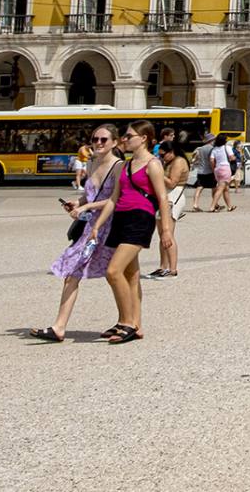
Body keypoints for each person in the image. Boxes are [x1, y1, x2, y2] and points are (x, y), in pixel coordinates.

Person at [30, 124, 119, 341]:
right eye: (94, 139)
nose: (98, 143)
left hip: (107, 227)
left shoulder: (118, 167)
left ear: (114, 143)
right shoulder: (91, 164)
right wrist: (77, 202)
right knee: (73, 273)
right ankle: (59, 327)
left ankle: (129, 321)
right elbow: (89, 196)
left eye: (103, 140)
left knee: (119, 276)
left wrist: (87, 207)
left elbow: (116, 200)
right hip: (89, 229)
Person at [102, 121, 172, 344]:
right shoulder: (124, 165)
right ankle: (135, 323)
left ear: (143, 138)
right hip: (120, 218)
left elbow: (162, 198)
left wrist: (166, 230)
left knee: (113, 271)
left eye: (129, 135)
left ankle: (127, 323)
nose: (125, 139)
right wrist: (96, 226)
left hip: (140, 219)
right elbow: (113, 198)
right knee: (130, 275)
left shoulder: (153, 164)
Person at [149, 140, 190, 279]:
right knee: (162, 235)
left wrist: (158, 172)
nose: (161, 157)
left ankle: (172, 269)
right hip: (167, 195)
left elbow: (172, 182)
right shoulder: (169, 161)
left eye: (163, 155)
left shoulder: (179, 161)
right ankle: (163, 267)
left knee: (168, 234)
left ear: (171, 152)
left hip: (174, 195)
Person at [210, 135, 235, 212]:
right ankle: (212, 206)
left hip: (217, 169)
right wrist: (234, 158)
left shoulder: (214, 149)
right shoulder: (226, 147)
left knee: (226, 189)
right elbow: (232, 157)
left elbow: (211, 160)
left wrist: (213, 168)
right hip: (225, 168)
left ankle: (229, 206)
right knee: (221, 188)